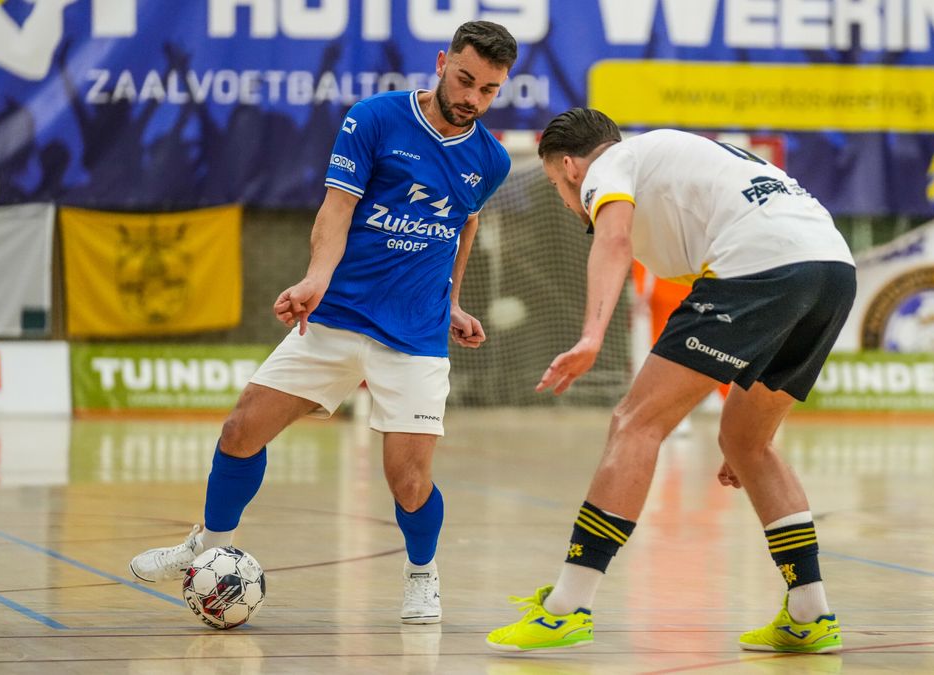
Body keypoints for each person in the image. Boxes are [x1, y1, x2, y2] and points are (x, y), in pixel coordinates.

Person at [129, 21, 518, 626]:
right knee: (241, 429)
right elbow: (337, 209)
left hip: (414, 336)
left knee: (409, 481)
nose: (473, 98)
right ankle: (202, 550)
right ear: (443, 62)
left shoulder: (489, 159)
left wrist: (454, 302)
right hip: (336, 317)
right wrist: (315, 278)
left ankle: (421, 575)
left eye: (489, 90)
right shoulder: (375, 119)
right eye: (466, 79)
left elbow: (462, 225)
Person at [486, 109, 855, 653]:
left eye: (554, 186)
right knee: (748, 443)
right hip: (832, 271)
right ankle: (810, 612)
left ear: (568, 166)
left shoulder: (609, 166)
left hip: (761, 266)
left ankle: (567, 606)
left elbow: (610, 242)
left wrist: (591, 338)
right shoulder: (671, 163)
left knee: (634, 422)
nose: (568, 202)